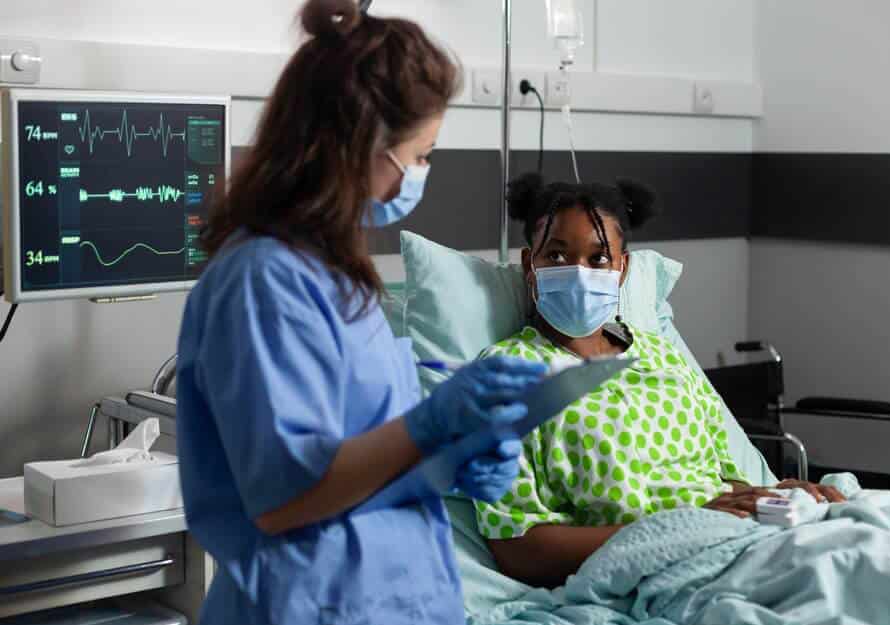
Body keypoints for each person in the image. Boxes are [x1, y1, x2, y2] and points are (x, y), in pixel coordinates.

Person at [174, 2, 546, 623]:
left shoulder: (335, 275)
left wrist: (450, 460)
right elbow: (284, 497)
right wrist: (431, 423)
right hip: (312, 602)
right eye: (420, 155)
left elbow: (357, 464)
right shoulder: (263, 282)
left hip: (392, 595)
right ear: (360, 147)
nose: (422, 172)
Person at [475, 173, 844, 588]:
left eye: (598, 259)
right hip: (665, 568)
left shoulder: (663, 354)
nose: (579, 273)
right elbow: (517, 548)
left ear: (622, 268)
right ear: (529, 265)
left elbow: (721, 478)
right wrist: (683, 527)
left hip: (745, 539)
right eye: (558, 257)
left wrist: (777, 497)